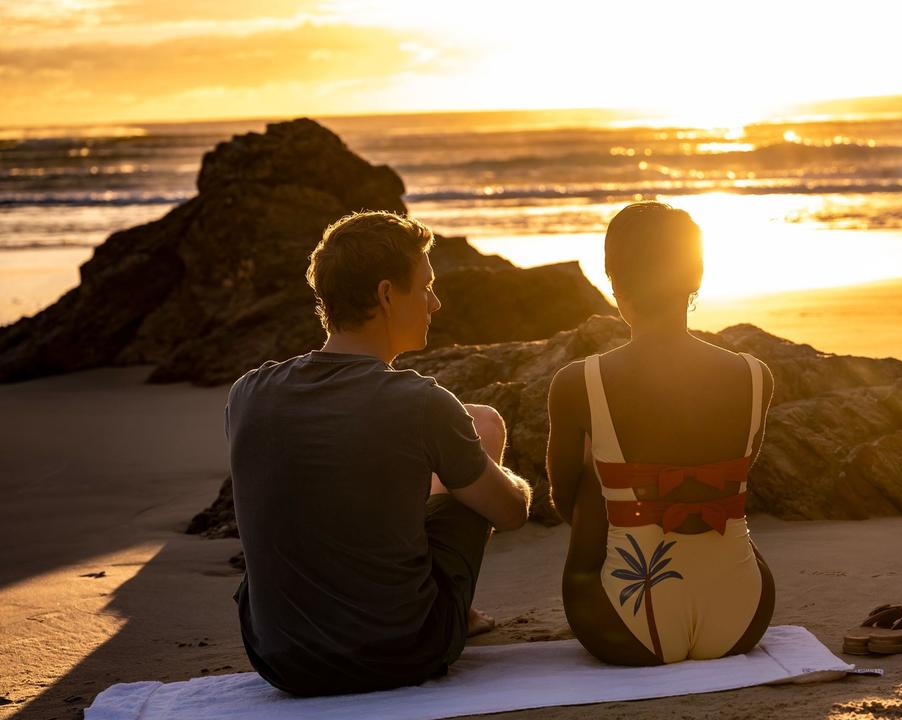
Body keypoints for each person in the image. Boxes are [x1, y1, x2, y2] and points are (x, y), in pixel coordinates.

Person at [226, 211, 533, 696]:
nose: (435, 302)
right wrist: (497, 472)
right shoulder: (423, 404)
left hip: (279, 659)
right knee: (484, 431)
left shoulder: (248, 393)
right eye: (426, 286)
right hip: (398, 654)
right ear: (387, 294)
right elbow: (511, 513)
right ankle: (459, 613)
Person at [546, 202, 775, 665]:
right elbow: (744, 470)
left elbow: (563, 498)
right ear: (697, 276)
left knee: (596, 480)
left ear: (613, 281)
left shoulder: (578, 382)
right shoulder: (755, 375)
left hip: (623, 624)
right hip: (745, 616)